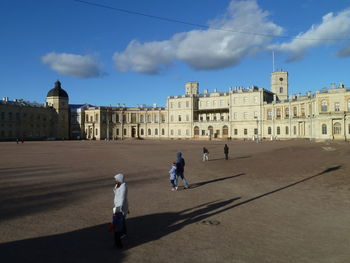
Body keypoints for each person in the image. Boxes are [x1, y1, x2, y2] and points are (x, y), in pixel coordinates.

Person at [113, 173, 129, 248]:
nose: (115, 180)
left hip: (120, 208)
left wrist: (118, 209)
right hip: (118, 207)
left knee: (118, 225)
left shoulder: (123, 187)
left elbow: (122, 198)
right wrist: (115, 187)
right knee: (121, 222)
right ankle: (123, 233)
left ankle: (119, 243)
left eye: (116, 179)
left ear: (119, 179)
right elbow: (115, 193)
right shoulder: (119, 185)